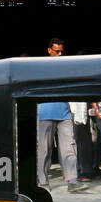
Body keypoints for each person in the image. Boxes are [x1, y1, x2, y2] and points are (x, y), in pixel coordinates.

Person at [37, 37, 85, 193]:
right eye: (56, 51)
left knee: (69, 148)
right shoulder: (41, 67)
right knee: (44, 150)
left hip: (64, 113)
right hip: (45, 113)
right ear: (49, 51)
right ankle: (43, 182)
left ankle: (72, 181)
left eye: (61, 51)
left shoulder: (66, 66)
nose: (59, 54)